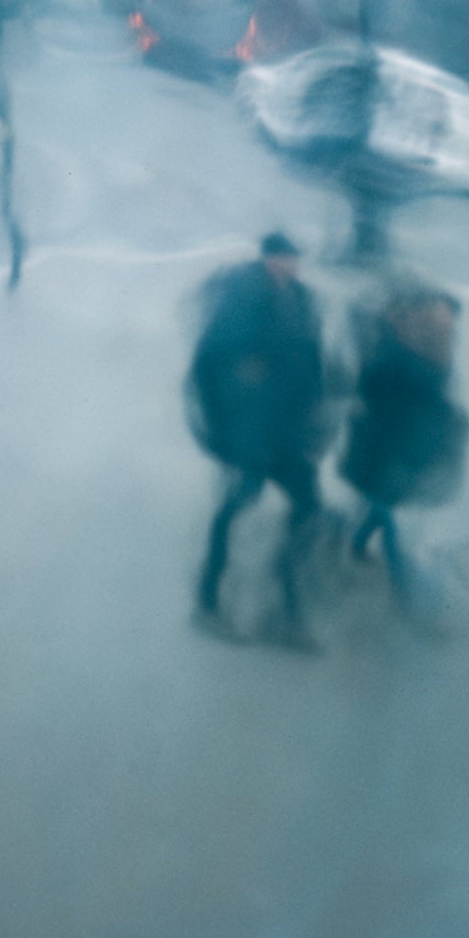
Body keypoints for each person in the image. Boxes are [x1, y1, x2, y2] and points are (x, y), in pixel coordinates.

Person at [186, 232, 329, 651]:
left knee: (308, 509)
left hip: (288, 433)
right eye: (283, 257)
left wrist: (314, 428)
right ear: (267, 258)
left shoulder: (302, 300)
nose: (290, 264)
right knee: (234, 508)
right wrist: (223, 431)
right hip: (247, 432)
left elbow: (313, 364)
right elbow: (206, 365)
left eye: (294, 257)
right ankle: (207, 601)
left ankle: (284, 613)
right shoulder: (240, 300)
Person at [341, 287, 469, 622]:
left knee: (383, 508)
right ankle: (408, 599)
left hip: (407, 450)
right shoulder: (396, 353)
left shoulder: (432, 348)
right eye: (444, 318)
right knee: (390, 520)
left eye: (451, 321)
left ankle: (356, 543)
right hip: (385, 451)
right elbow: (371, 391)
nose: (449, 325)